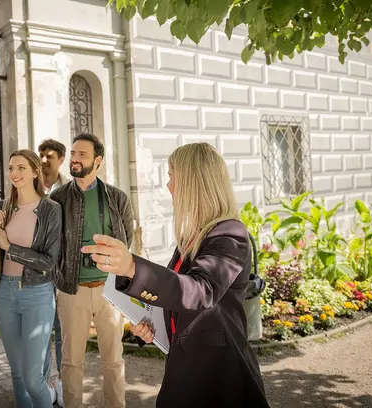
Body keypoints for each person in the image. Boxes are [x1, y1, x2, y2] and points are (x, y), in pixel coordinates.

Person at [81, 142, 270, 407]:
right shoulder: (194, 236)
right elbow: (177, 295)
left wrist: (132, 267)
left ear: (194, 182)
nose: (168, 185)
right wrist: (150, 325)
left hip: (218, 375)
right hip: (186, 367)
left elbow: (199, 292)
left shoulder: (230, 234)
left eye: (172, 176)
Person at [51, 133, 134, 408]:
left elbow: (126, 241)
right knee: (71, 362)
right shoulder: (58, 198)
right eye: (74, 153)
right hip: (71, 290)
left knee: (114, 361)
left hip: (109, 290)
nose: (75, 159)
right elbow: (51, 242)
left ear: (97, 160)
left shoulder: (117, 198)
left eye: (82, 154)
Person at [0, 149, 62, 408]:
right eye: (11, 168)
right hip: (3, 293)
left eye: (21, 168)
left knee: (33, 378)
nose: (14, 173)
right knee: (18, 374)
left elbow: (48, 262)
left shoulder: (51, 209)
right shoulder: (2, 207)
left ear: (34, 172)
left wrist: (10, 247)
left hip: (37, 293)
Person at [38, 138, 69, 406]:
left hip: (63, 270)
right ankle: (46, 380)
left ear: (61, 159)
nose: (44, 160)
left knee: (62, 328)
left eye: (49, 156)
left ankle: (62, 380)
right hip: (38, 269)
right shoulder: (32, 187)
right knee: (41, 328)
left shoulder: (71, 189)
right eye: (41, 155)